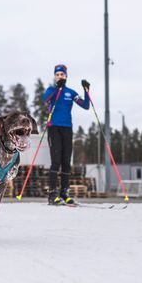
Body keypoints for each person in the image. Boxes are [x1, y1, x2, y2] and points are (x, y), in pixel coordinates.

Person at [42, 64, 90, 205]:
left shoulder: (71, 92)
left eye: (62, 75)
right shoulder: (51, 90)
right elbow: (46, 99)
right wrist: (58, 88)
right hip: (54, 128)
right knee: (56, 161)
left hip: (67, 128)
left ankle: (64, 193)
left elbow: (85, 105)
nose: (60, 77)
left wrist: (86, 90)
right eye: (57, 75)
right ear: (55, 77)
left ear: (66, 76)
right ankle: (52, 194)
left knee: (66, 163)